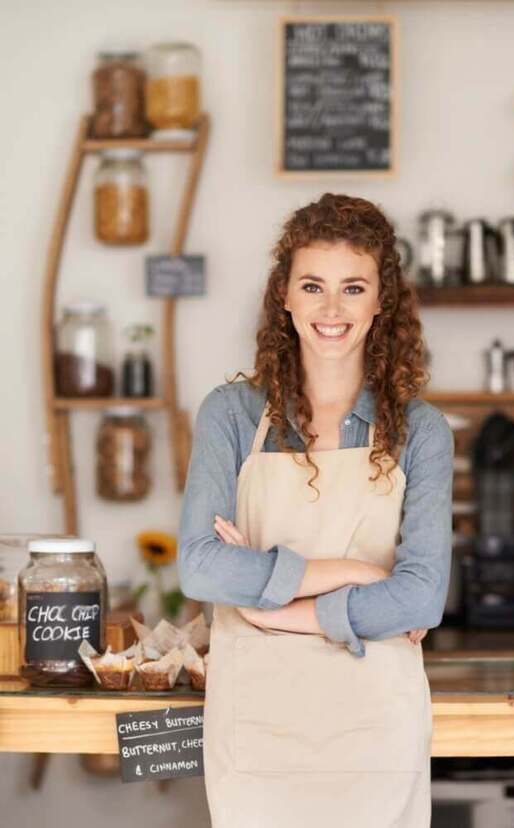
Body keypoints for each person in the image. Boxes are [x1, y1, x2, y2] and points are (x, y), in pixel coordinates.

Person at [177, 193, 454, 827]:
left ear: (381, 300)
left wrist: (275, 612)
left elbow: (419, 600)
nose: (332, 309)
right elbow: (200, 569)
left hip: (376, 734)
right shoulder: (232, 415)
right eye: (313, 286)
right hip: (257, 735)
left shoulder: (422, 431)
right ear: (285, 295)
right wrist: (354, 574)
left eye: (353, 287)